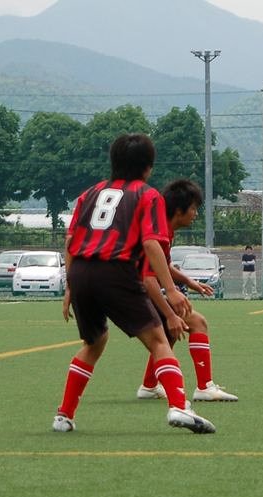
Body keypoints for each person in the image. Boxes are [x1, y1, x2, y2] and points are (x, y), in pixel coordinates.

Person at [55, 133, 214, 434]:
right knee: (159, 341)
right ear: (148, 166)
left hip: (81, 272)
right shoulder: (148, 195)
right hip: (116, 271)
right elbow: (152, 244)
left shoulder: (89, 193)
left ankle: (64, 415)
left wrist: (69, 287)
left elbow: (71, 240)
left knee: (94, 342)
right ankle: (179, 407)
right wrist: (171, 292)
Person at [135, 179, 238, 402]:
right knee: (197, 322)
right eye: (193, 208)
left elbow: (163, 266)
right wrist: (170, 312)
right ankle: (204, 387)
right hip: (131, 292)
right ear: (179, 211)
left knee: (170, 331)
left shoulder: (164, 229)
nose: (196, 214)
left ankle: (149, 385)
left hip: (127, 289)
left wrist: (190, 282)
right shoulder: (160, 232)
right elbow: (149, 279)